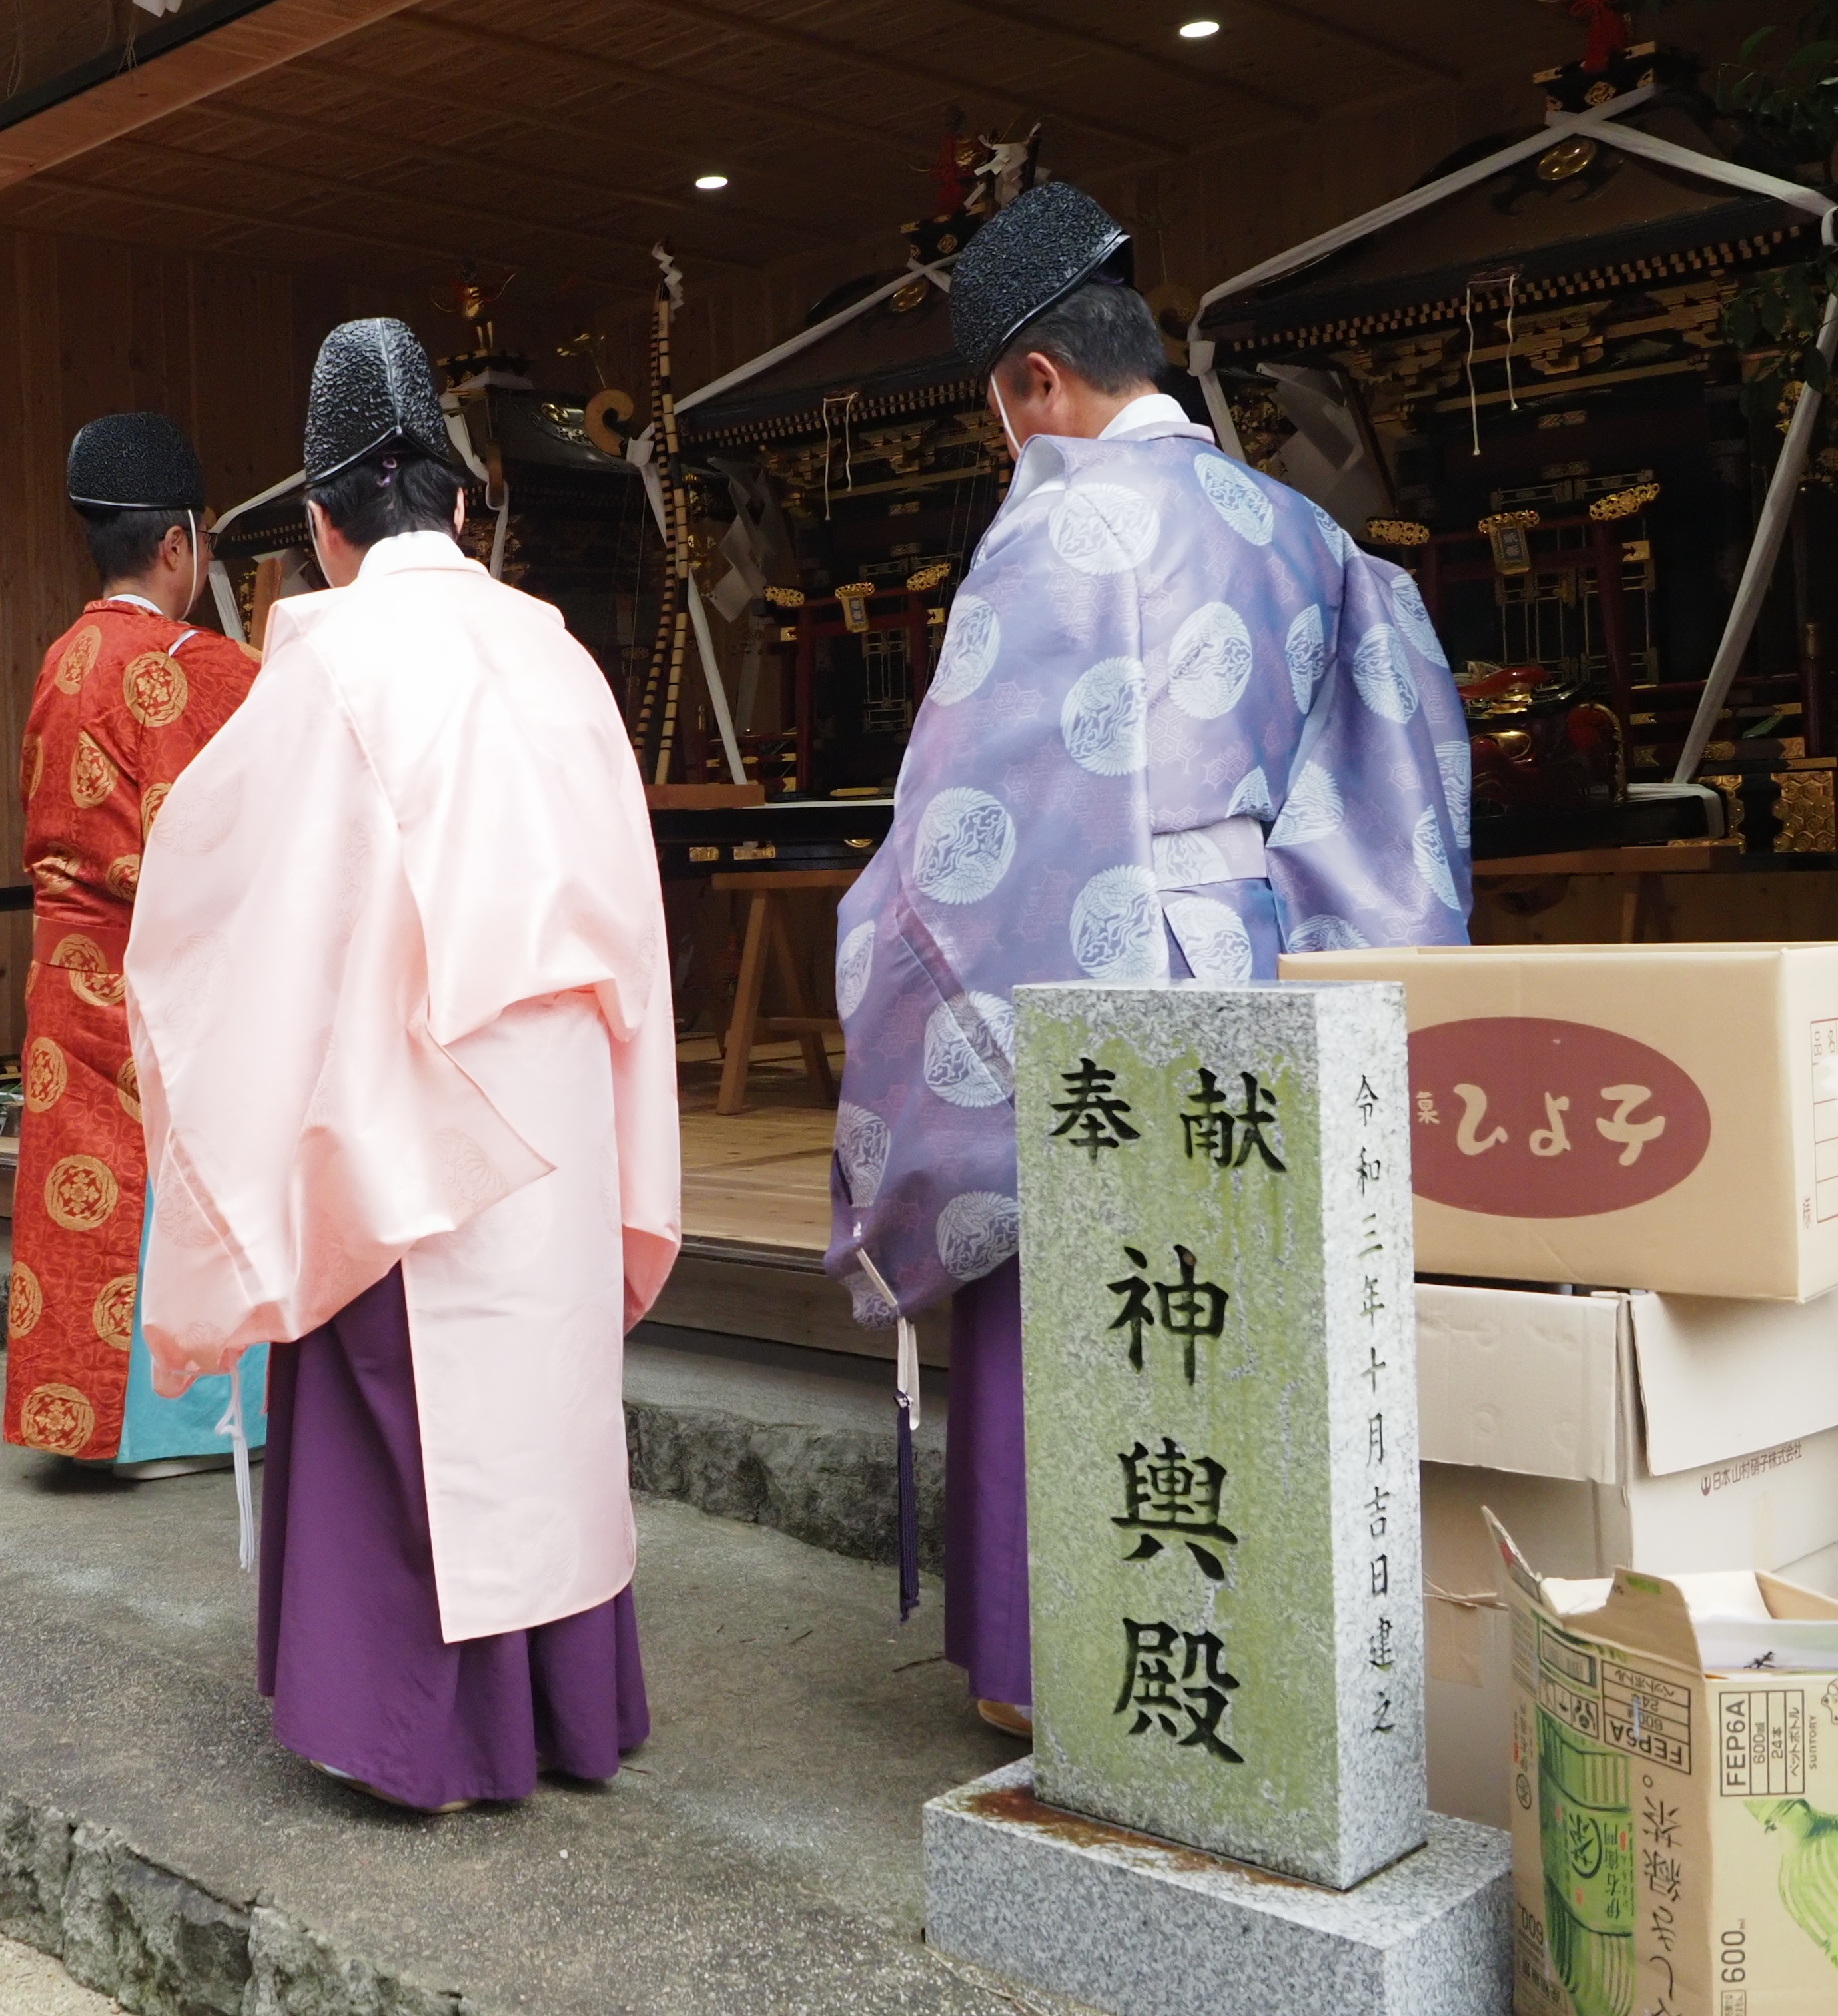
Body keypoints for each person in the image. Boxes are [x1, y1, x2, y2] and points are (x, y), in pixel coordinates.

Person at [822, 183, 1472, 1736]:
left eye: (998, 415)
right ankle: (1231, 1656)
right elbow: (1396, 800)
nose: (1003, 450)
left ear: (1036, 382)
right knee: (1216, 1312)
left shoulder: (1053, 533)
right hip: (1250, 974)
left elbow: (970, 830)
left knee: (1056, 1290)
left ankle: (1046, 1662)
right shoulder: (1299, 531)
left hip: (1082, 980)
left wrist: (888, 957)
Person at [127, 320, 682, 1810]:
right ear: (458, 503)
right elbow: (629, 913)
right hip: (562, 1084)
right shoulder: (556, 654)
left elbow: (240, 915)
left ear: (316, 527)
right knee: (544, 1401)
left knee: (407, 1399)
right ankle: (560, 1713)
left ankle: (423, 1733)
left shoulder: (330, 663)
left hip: (413, 1093)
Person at [3, 410, 269, 1475]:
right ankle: (185, 1421)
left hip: (69, 976)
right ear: (179, 545)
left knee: (86, 1197)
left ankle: (86, 1428)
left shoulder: (61, 659)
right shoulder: (200, 665)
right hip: (168, 974)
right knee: (180, 1189)